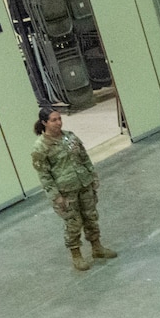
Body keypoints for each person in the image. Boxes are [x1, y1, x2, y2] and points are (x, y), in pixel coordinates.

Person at [33, 108, 115, 272]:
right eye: (54, 120)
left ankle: (97, 247)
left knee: (90, 216)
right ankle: (76, 255)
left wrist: (92, 176)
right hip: (65, 191)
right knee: (73, 223)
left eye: (59, 119)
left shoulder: (69, 137)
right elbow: (44, 175)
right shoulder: (41, 147)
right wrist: (56, 197)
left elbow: (84, 157)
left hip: (83, 184)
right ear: (44, 123)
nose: (58, 122)